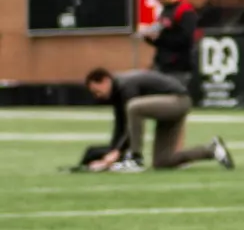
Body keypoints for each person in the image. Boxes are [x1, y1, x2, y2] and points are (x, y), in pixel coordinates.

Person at [83, 67, 232, 172]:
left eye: (97, 91)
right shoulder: (117, 93)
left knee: (134, 107)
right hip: (169, 106)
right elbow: (120, 126)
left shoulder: (125, 85)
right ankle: (211, 150)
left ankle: (135, 159)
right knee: (162, 162)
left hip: (178, 101)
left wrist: (117, 153)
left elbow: (130, 123)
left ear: (105, 80)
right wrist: (111, 152)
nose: (97, 96)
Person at [140, 0, 199, 91]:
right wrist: (149, 37)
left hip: (178, 68)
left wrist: (159, 38)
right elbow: (163, 41)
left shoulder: (185, 10)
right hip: (162, 65)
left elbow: (186, 39)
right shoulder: (165, 10)